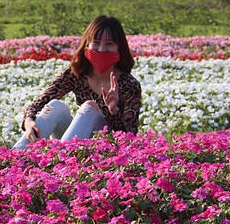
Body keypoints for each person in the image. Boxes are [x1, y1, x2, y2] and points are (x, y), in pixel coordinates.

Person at [13, 15, 141, 150]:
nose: (102, 49)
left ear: (119, 47)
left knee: (90, 106)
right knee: (56, 105)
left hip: (105, 148)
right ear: (87, 44)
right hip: (76, 140)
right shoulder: (77, 73)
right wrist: (28, 121)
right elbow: (41, 102)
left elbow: (129, 138)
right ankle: (16, 157)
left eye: (109, 44)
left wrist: (113, 111)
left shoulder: (129, 85)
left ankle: (62, 161)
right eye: (96, 42)